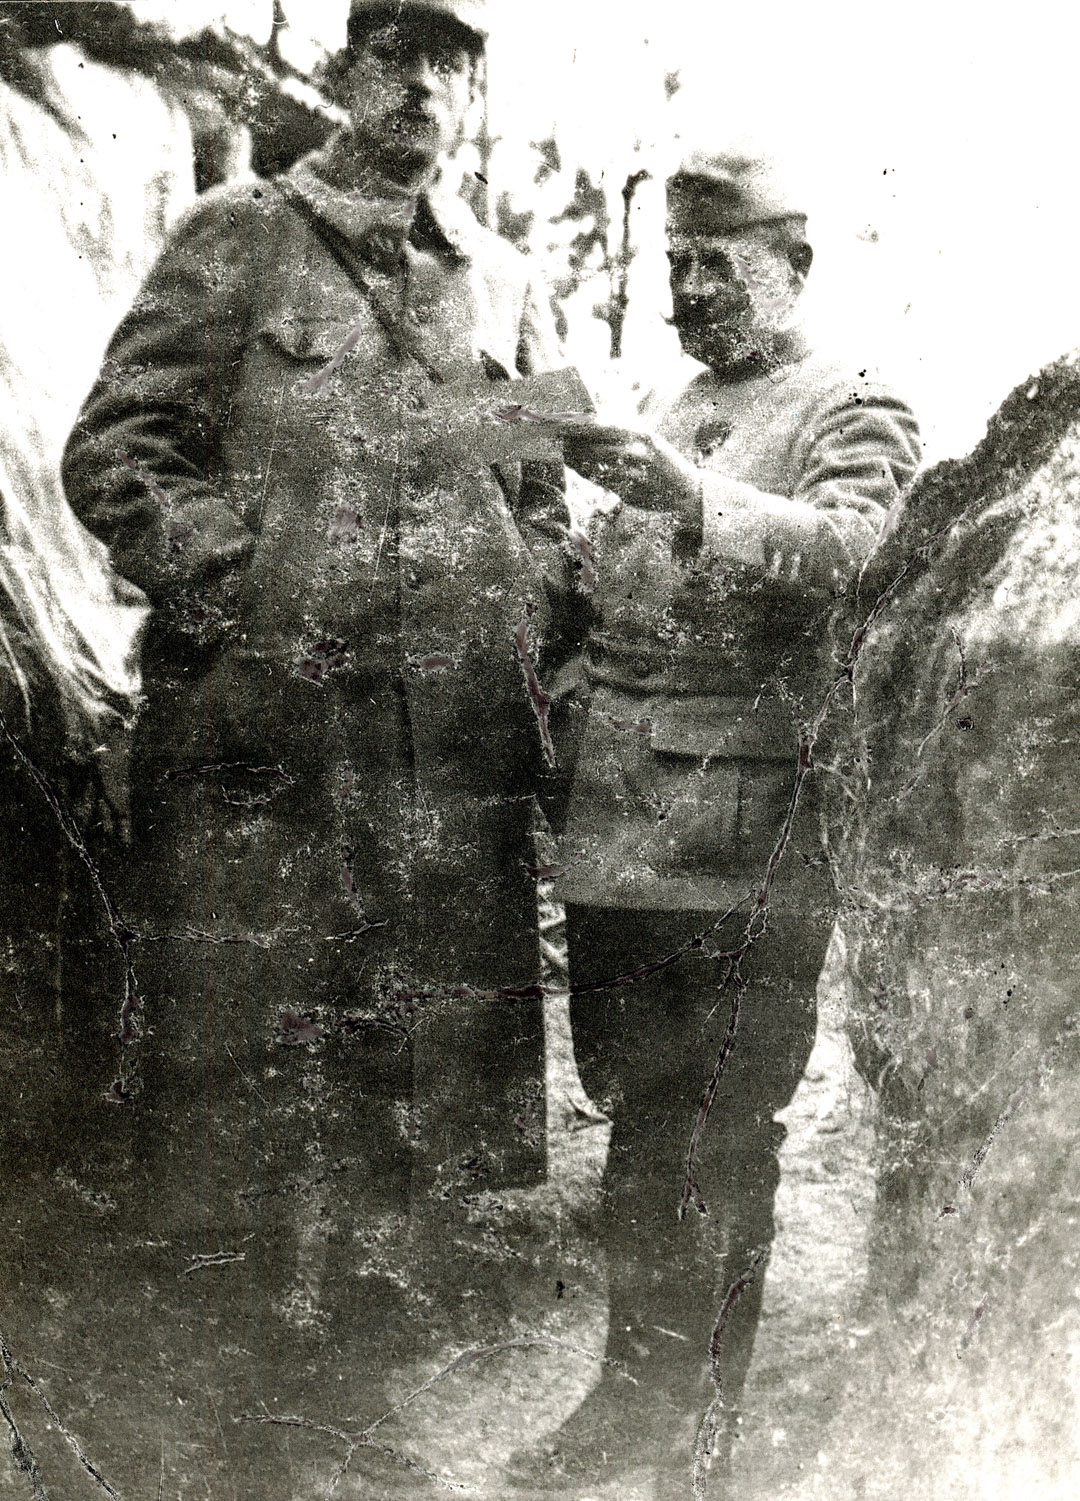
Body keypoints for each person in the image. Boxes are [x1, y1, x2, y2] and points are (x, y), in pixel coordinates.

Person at [57, 2, 573, 1493]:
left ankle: (361, 1375)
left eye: (455, 61)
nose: (425, 87)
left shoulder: (503, 279)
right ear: (346, 72)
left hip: (436, 748)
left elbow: (539, 491)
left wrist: (518, 613)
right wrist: (238, 574)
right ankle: (229, 1398)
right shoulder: (241, 233)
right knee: (252, 1051)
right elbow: (117, 448)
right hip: (262, 744)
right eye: (398, 51)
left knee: (411, 1051)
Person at [521, 148, 922, 1499]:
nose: (690, 291)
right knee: (641, 1127)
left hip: (748, 840)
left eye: (719, 263)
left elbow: (860, 553)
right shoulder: (674, 402)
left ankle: (702, 1441)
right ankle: (626, 1402)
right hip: (626, 834)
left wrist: (692, 498)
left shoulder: (852, 403)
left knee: (724, 1137)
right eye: (676, 267)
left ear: (795, 266)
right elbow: (612, 598)